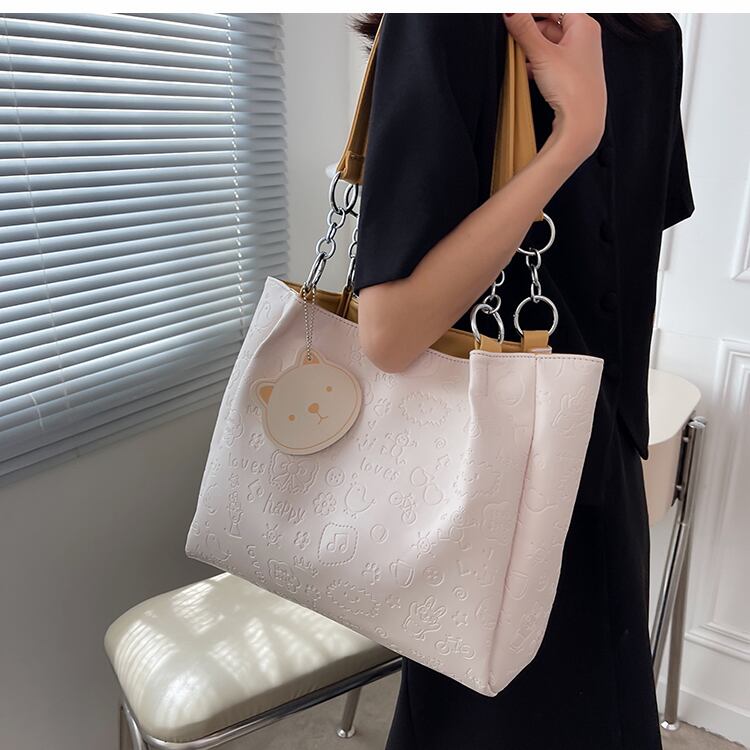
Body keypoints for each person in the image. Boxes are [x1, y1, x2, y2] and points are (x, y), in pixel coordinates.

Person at [348, 12, 695, 750]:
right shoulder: (644, 33)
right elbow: (393, 330)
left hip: (499, 478)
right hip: (571, 471)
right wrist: (575, 134)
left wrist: (574, 135)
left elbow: (389, 332)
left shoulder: (459, 22)